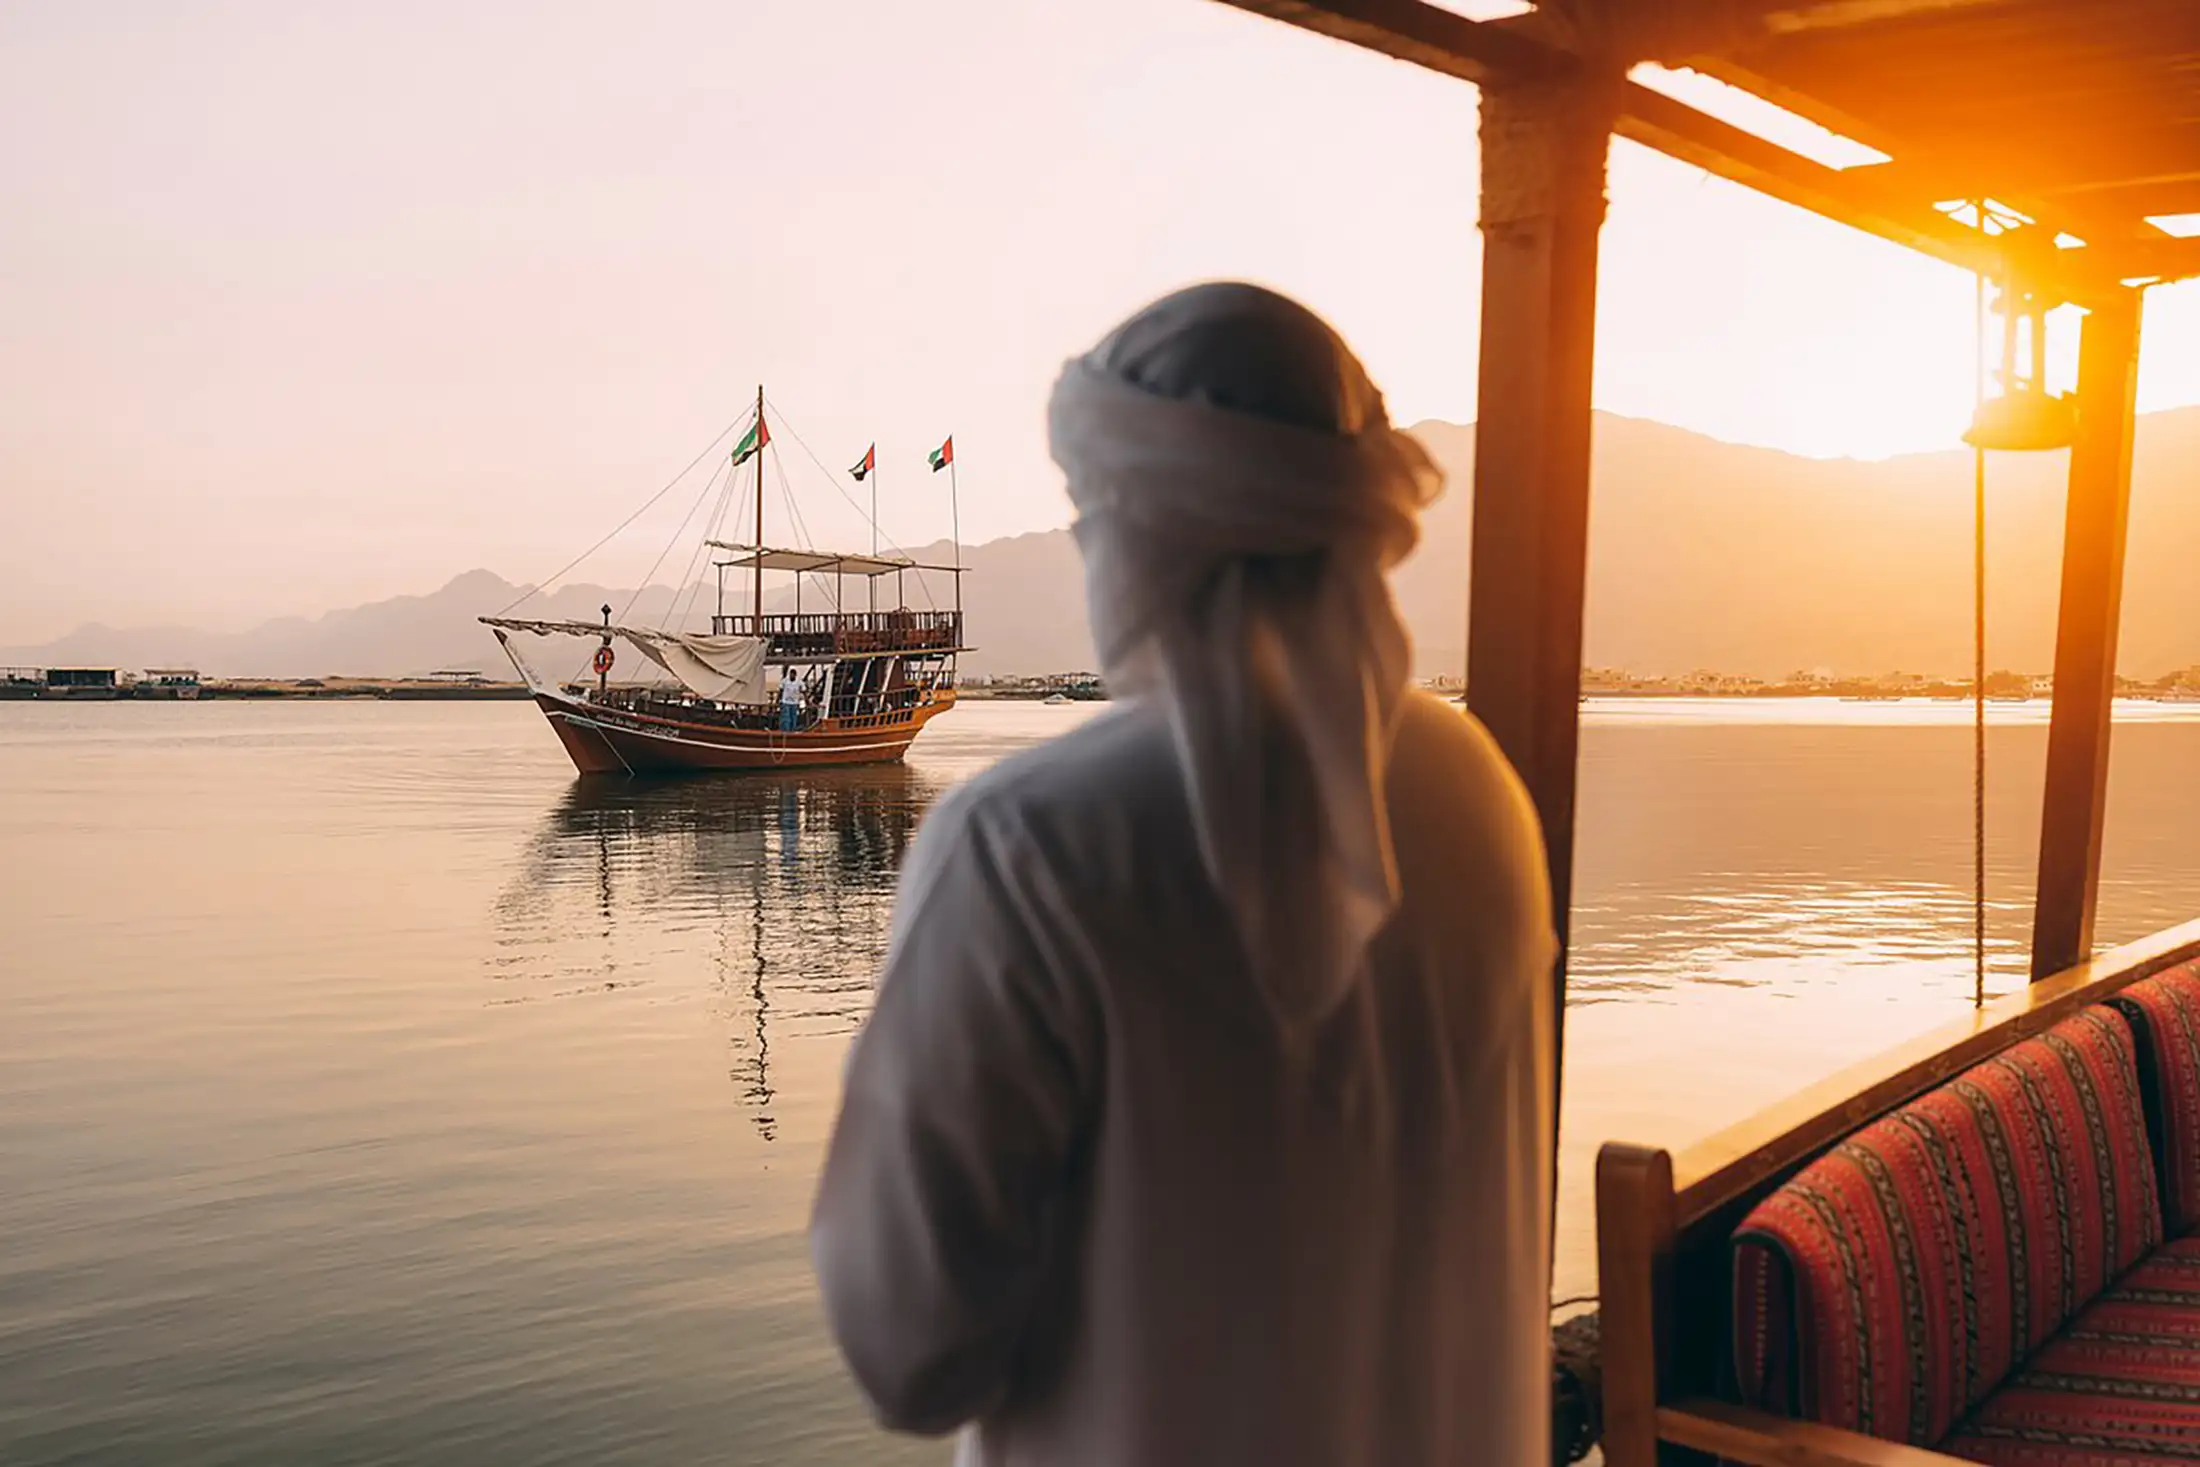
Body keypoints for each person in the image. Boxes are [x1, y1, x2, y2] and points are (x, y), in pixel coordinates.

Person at [811, 283, 1556, 1467]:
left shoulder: (1030, 845)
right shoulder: (1481, 795)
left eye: (1086, 510)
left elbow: (910, 1348)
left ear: (1140, 526)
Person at [779, 666, 802, 731]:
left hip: (794, 702)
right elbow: (781, 690)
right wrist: (779, 700)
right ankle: (786, 731)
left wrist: (807, 701)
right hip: (785, 702)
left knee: (793, 717)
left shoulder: (799, 682)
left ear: (795, 675)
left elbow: (803, 690)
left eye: (793, 675)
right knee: (786, 718)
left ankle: (792, 730)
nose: (791, 676)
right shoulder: (785, 681)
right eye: (790, 675)